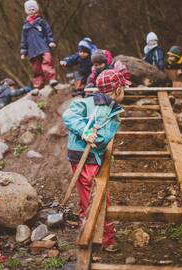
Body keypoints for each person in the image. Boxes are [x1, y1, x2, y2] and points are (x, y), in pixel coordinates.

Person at [62, 61, 131, 251]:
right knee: (96, 197)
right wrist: (85, 130)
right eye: (123, 87)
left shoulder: (110, 110)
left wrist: (97, 137)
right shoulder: (89, 104)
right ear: (117, 90)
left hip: (94, 155)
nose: (125, 90)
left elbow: (101, 139)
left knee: (90, 194)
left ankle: (92, 224)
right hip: (84, 158)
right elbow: (69, 115)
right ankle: (102, 237)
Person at [20, 0, 58, 90]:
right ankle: (37, 86)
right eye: (29, 10)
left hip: (43, 47)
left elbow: (48, 32)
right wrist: (23, 51)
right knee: (37, 69)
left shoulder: (41, 22)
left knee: (47, 62)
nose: (32, 11)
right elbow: (24, 40)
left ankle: (52, 79)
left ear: (37, 10)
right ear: (27, 11)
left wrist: (51, 41)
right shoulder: (25, 26)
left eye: (33, 9)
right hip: (32, 51)